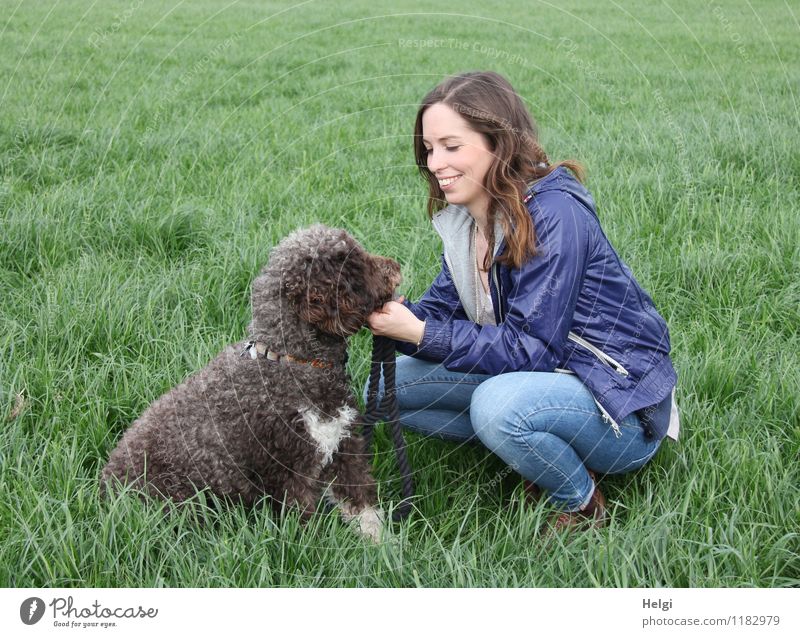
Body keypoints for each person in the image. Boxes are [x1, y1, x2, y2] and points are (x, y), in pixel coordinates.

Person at [367, 71, 679, 533]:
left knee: (495, 405)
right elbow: (440, 311)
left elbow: (533, 348)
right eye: (429, 149)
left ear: (499, 143)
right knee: (384, 392)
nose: (435, 163)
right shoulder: (467, 222)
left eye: (452, 146)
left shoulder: (556, 215)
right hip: (541, 384)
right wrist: (376, 312)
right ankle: (529, 446)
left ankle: (579, 500)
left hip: (618, 406)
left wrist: (419, 332)